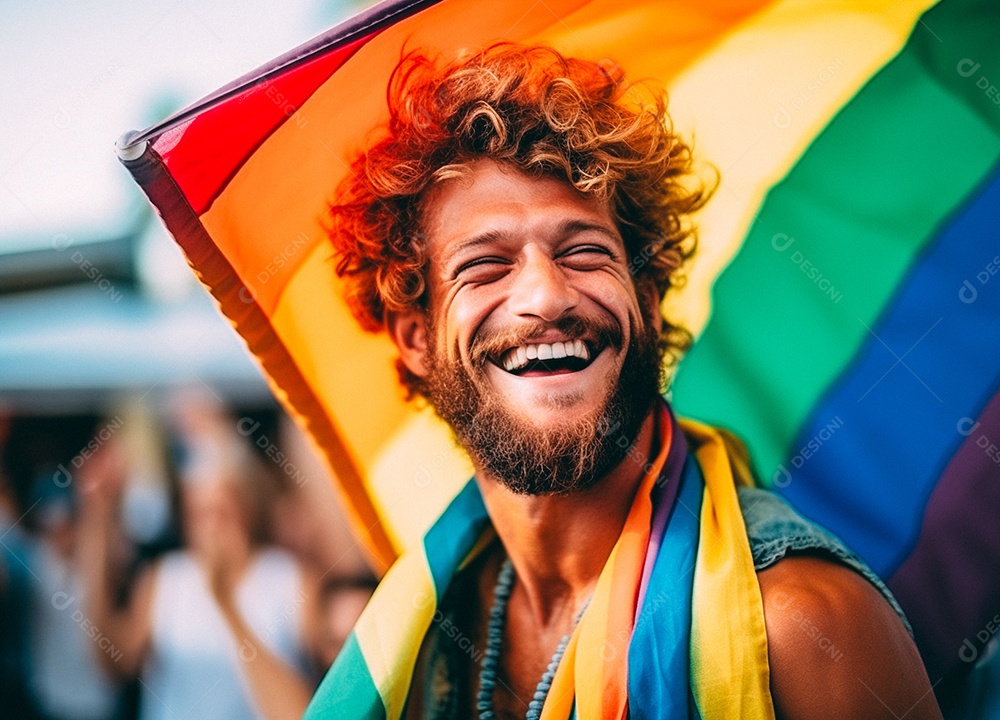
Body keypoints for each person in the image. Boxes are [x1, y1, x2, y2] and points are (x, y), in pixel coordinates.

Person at [309, 43, 942, 719]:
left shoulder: (805, 627)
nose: (547, 297)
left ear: (645, 297)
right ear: (416, 339)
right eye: (486, 267)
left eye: (583, 253)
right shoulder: (422, 639)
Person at [78, 412, 319, 720]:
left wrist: (225, 602)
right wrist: (98, 520)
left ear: (248, 508)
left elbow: (305, 708)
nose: (211, 527)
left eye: (222, 511)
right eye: (198, 513)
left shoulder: (290, 579)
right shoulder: (166, 577)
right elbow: (113, 664)